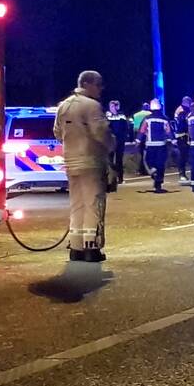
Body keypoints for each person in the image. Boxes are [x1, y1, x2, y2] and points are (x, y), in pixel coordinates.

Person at [54, 71, 114, 262]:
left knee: (77, 205)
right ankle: (91, 247)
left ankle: (76, 248)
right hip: (91, 161)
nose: (101, 89)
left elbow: (57, 132)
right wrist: (112, 144)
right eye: (99, 84)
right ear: (87, 84)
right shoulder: (92, 106)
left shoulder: (63, 106)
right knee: (93, 204)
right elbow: (101, 132)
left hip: (71, 162)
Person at [140, 99, 173, 192]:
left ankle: (153, 172)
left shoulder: (147, 119)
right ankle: (158, 183)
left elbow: (142, 130)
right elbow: (169, 131)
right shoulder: (164, 118)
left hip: (150, 144)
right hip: (162, 144)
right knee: (161, 164)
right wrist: (173, 140)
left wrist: (138, 140)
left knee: (149, 161)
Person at [106, 100, 129, 184]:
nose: (113, 108)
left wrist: (125, 136)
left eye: (114, 106)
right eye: (111, 106)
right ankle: (111, 179)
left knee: (119, 160)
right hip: (110, 141)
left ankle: (120, 178)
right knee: (110, 160)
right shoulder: (107, 115)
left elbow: (125, 127)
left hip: (120, 141)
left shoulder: (121, 115)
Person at [173, 95, 192, 185]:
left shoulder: (184, 110)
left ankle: (184, 174)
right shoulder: (182, 111)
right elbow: (183, 124)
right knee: (183, 156)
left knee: (186, 156)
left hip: (185, 135)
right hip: (182, 136)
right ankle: (182, 174)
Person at [132, 101, 151, 176]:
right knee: (146, 153)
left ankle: (140, 170)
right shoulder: (150, 114)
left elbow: (135, 128)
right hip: (146, 135)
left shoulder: (136, 115)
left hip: (138, 134)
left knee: (140, 153)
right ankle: (145, 169)